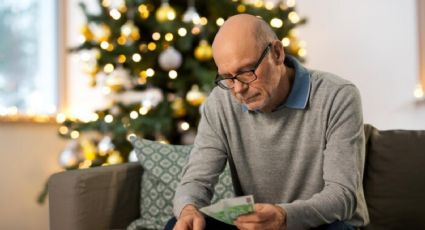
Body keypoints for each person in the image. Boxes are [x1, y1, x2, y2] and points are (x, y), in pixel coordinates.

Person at [166, 14, 369, 230]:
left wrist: (284, 216)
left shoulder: (338, 96)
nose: (238, 88)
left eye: (246, 72)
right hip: (257, 226)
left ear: (277, 53)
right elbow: (196, 181)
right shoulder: (220, 102)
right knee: (179, 224)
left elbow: (342, 195)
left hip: (322, 224)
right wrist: (188, 209)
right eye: (227, 77)